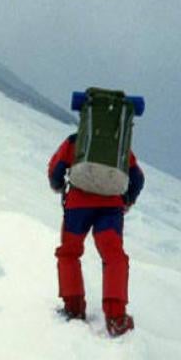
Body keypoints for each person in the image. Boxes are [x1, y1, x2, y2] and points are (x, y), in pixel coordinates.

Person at [47, 134, 144, 336]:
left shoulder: (75, 141)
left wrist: (59, 186)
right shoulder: (119, 145)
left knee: (69, 253)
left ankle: (74, 308)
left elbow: (56, 171)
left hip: (77, 206)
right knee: (113, 256)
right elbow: (137, 178)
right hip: (111, 208)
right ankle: (116, 318)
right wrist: (127, 200)